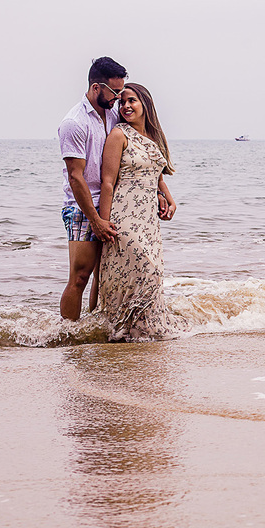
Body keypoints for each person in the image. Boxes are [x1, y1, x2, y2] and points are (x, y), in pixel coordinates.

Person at [96, 83, 183, 341]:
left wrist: (167, 197)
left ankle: (139, 334)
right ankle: (118, 328)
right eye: (122, 102)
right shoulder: (119, 135)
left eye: (131, 100)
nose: (126, 106)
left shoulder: (153, 137)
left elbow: (156, 174)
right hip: (124, 215)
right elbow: (108, 182)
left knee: (151, 274)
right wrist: (102, 221)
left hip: (148, 219)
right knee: (147, 268)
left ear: (145, 103)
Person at [57, 56, 126, 320]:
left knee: (104, 273)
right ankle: (68, 335)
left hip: (109, 201)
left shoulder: (112, 114)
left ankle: (95, 329)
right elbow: (76, 177)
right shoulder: (74, 123)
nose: (118, 97)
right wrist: (95, 219)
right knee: (80, 277)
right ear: (96, 87)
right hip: (81, 207)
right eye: (115, 91)